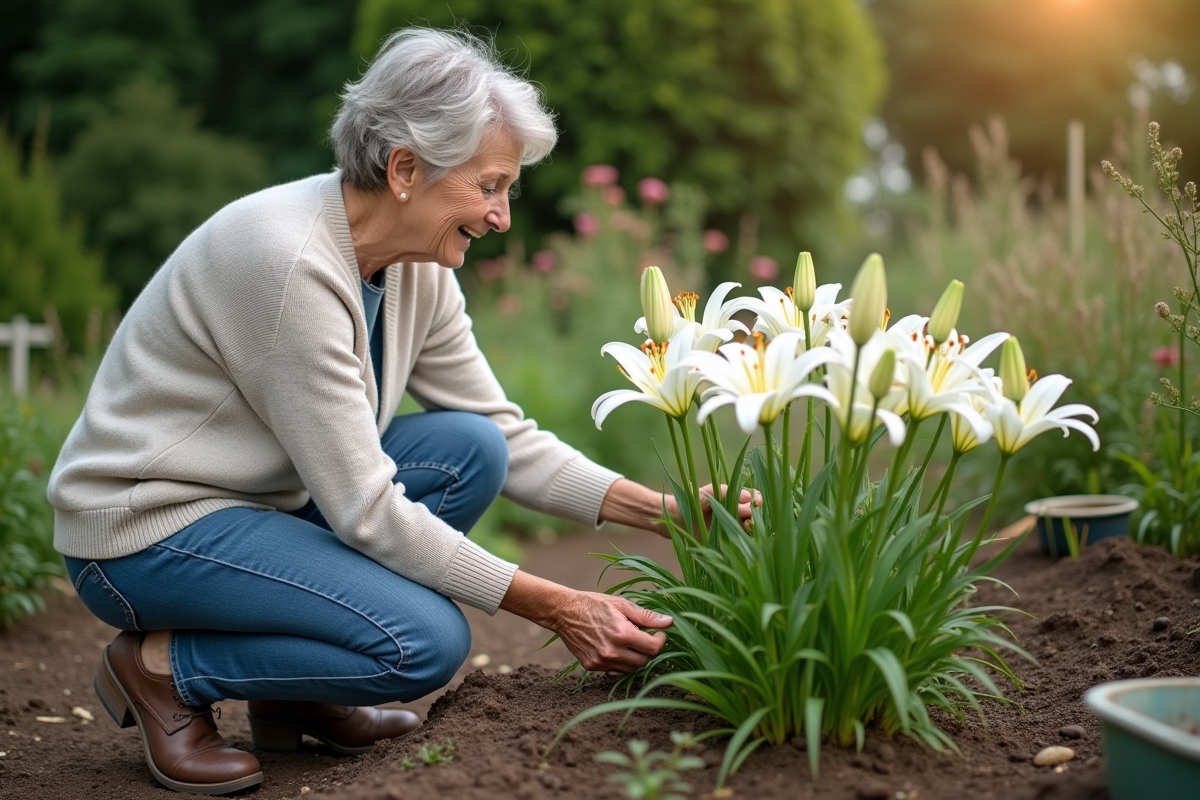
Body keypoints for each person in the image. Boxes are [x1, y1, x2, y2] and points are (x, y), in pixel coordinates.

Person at [47, 28, 756, 795]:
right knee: (421, 642)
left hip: (260, 508)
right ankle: (160, 670)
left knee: (469, 447)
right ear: (407, 168)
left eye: (507, 188)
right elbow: (366, 509)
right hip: (146, 530)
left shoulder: (418, 265)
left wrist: (664, 511)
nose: (502, 216)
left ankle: (297, 699)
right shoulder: (286, 264)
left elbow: (506, 435)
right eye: (489, 186)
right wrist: (557, 606)